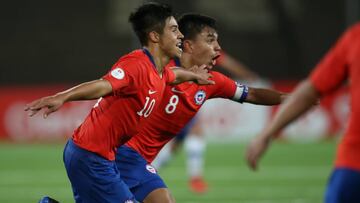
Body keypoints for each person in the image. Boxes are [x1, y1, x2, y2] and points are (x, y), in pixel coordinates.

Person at [25, 3, 214, 203]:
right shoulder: (136, 65)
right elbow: (103, 85)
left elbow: (172, 75)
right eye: (174, 29)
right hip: (90, 156)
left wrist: (192, 75)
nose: (180, 35)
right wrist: (62, 97)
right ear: (155, 36)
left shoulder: (158, 70)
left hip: (101, 156)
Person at [115, 13, 286, 203]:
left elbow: (252, 94)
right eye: (211, 40)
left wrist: (290, 99)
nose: (218, 48)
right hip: (120, 153)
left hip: (135, 159)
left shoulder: (211, 80)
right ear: (188, 45)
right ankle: (188, 176)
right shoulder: (159, 68)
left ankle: (182, 174)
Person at [245, 23, 360, 203]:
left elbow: (310, 91)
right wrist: (267, 133)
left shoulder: (356, 36)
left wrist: (267, 133)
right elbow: (311, 89)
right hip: (354, 162)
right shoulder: (355, 37)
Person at [151, 50, 260, 194]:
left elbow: (227, 62)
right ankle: (193, 178)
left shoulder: (203, 48)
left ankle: (150, 171)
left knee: (176, 144)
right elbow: (228, 62)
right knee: (193, 132)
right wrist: (247, 75)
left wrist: (246, 74)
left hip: (182, 96)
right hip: (175, 97)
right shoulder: (193, 48)